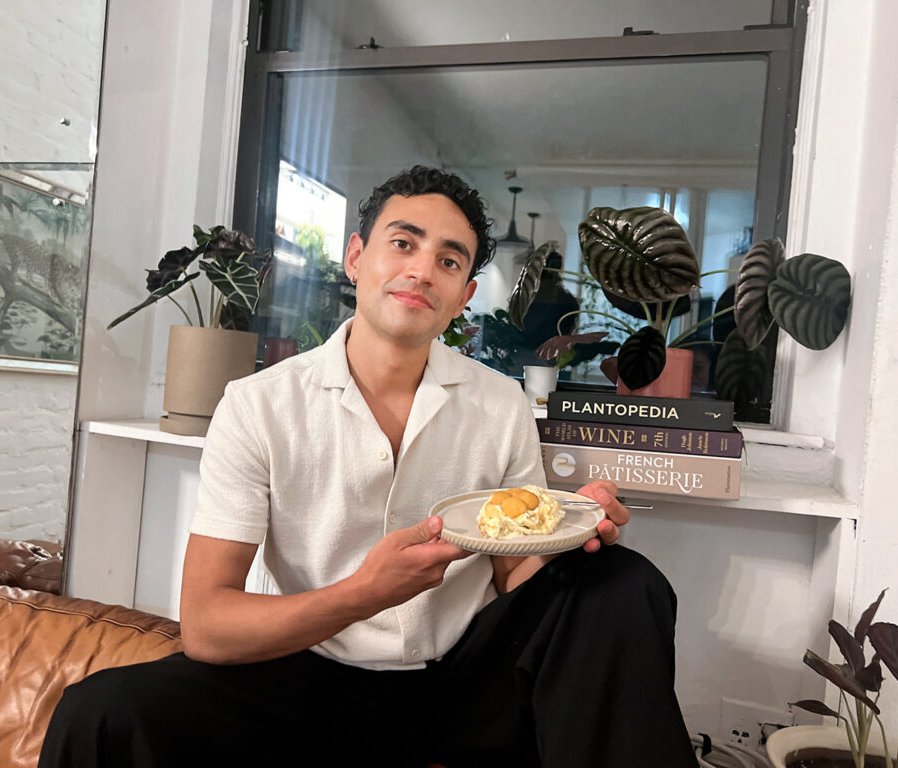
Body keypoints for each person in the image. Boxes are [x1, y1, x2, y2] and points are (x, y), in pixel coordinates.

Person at [38, 166, 697, 768]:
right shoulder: (257, 404)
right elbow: (207, 625)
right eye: (403, 244)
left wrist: (573, 529)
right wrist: (364, 593)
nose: (421, 270)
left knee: (620, 580)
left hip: (463, 682)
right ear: (358, 258)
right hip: (308, 676)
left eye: (448, 259)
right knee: (100, 713)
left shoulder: (499, 403)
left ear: (464, 293)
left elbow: (513, 573)